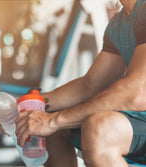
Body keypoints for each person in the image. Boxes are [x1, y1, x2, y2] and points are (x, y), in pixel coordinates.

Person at [14, 0, 146, 166]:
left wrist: (52, 121)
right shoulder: (119, 24)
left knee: (100, 129)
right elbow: (90, 84)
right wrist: (27, 105)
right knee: (51, 129)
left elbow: (137, 92)